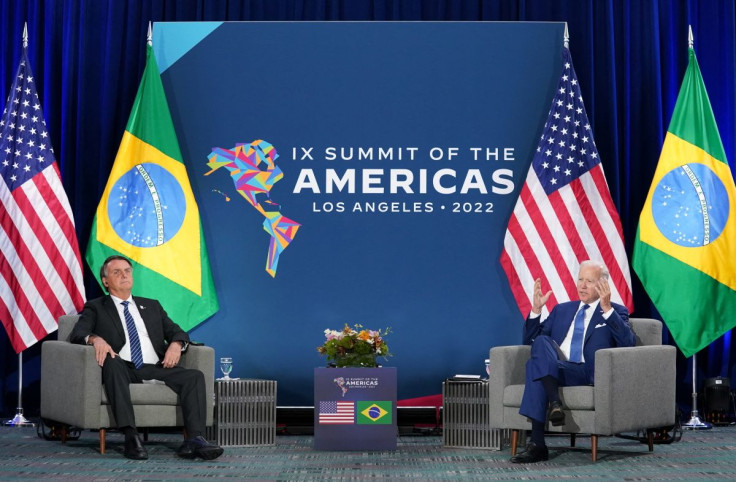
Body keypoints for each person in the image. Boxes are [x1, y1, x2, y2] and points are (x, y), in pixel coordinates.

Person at [70, 255, 223, 461]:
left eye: (127, 271)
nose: (124, 275)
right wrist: (96, 339)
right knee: (113, 361)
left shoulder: (151, 306)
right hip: (122, 367)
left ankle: (193, 439)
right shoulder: (96, 306)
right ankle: (130, 435)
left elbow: (177, 332)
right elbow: (79, 332)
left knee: (194, 376)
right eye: (117, 272)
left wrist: (177, 345)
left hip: (154, 367)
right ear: (105, 281)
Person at [510, 260, 635, 463]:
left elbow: (628, 343)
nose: (582, 286)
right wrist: (536, 311)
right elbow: (530, 343)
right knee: (540, 345)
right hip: (557, 367)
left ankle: (538, 444)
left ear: (603, 285)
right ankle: (554, 404)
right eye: (580, 280)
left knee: (534, 368)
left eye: (589, 281)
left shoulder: (616, 311)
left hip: (585, 371)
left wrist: (606, 308)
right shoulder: (562, 310)